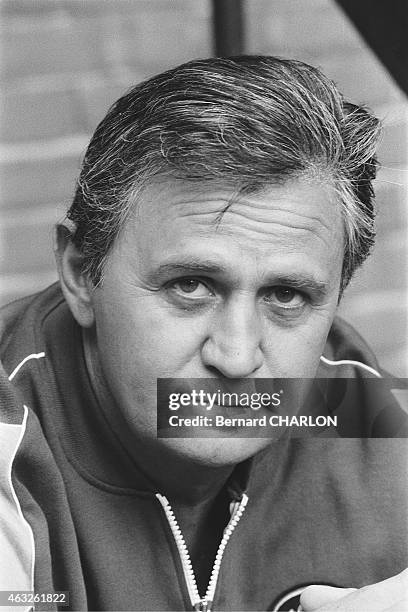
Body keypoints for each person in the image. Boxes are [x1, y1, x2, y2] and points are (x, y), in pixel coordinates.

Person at [0, 56, 407, 612]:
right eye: (191, 285)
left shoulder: (372, 427)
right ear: (80, 273)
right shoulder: (9, 439)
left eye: (286, 296)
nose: (237, 357)